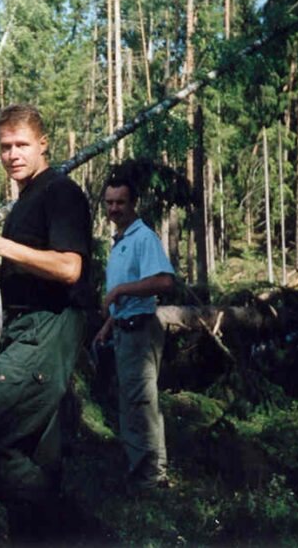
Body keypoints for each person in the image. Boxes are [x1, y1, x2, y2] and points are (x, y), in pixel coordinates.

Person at [0, 104, 93, 541]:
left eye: (21, 145)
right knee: (39, 456)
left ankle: (79, 530)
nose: (13, 154)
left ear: (43, 144)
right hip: (29, 327)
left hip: (47, 329)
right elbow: (34, 265)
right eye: (5, 147)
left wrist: (5, 246)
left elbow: (70, 268)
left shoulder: (61, 193)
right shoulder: (26, 202)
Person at [93, 171, 174, 489]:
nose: (114, 209)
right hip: (124, 329)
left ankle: (154, 478)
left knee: (141, 404)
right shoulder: (122, 240)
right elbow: (127, 299)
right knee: (131, 403)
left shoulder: (143, 238)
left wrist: (119, 291)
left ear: (133, 203)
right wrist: (108, 324)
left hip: (141, 332)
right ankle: (138, 471)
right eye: (109, 202)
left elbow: (164, 281)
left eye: (120, 202)